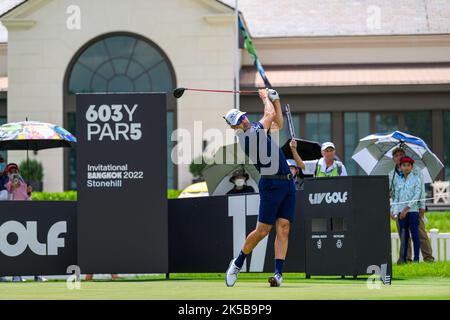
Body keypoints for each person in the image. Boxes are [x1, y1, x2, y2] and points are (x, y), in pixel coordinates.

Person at [223, 88, 295, 287]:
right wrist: (265, 96)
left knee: (284, 228)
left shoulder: (256, 126)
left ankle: (278, 274)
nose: (243, 120)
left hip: (288, 182)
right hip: (271, 183)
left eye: (243, 116)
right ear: (235, 127)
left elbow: (277, 122)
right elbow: (269, 114)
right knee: (263, 231)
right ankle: (237, 263)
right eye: (239, 120)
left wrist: (276, 99)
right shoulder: (248, 136)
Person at [389, 147, 434, 263]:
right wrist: (392, 210)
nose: (399, 157)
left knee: (420, 233)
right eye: (396, 155)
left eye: (401, 154)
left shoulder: (416, 170)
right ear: (393, 159)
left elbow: (421, 190)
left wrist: (422, 206)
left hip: (415, 208)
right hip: (399, 209)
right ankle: (405, 258)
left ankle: (428, 257)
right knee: (403, 235)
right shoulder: (391, 174)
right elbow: (393, 194)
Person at [391, 156, 422, 263]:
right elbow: (396, 197)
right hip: (400, 213)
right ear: (400, 167)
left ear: (412, 167)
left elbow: (417, 195)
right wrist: (395, 212)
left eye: (408, 165)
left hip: (412, 212)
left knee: (415, 235)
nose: (406, 167)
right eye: (404, 165)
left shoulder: (416, 179)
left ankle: (416, 259)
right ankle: (403, 259)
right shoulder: (398, 180)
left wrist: (407, 208)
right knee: (404, 237)